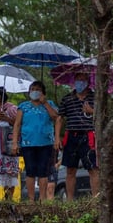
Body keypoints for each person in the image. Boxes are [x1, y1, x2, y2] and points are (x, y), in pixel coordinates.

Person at [55, 72, 99, 201]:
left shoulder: (95, 97)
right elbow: (59, 118)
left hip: (89, 135)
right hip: (71, 135)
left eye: (83, 80)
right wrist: (57, 138)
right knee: (70, 169)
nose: (80, 83)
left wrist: (92, 111)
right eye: (78, 80)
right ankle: (69, 200)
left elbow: (104, 116)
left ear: (88, 82)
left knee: (93, 168)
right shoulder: (67, 98)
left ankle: (95, 199)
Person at [12, 81, 58, 202]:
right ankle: (31, 199)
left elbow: (55, 117)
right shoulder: (23, 106)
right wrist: (15, 143)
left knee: (44, 171)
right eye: (32, 89)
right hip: (28, 143)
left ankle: (42, 198)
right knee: (30, 170)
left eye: (37, 89)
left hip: (46, 143)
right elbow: (17, 124)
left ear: (43, 92)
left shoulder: (50, 104)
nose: (34, 91)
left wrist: (45, 103)